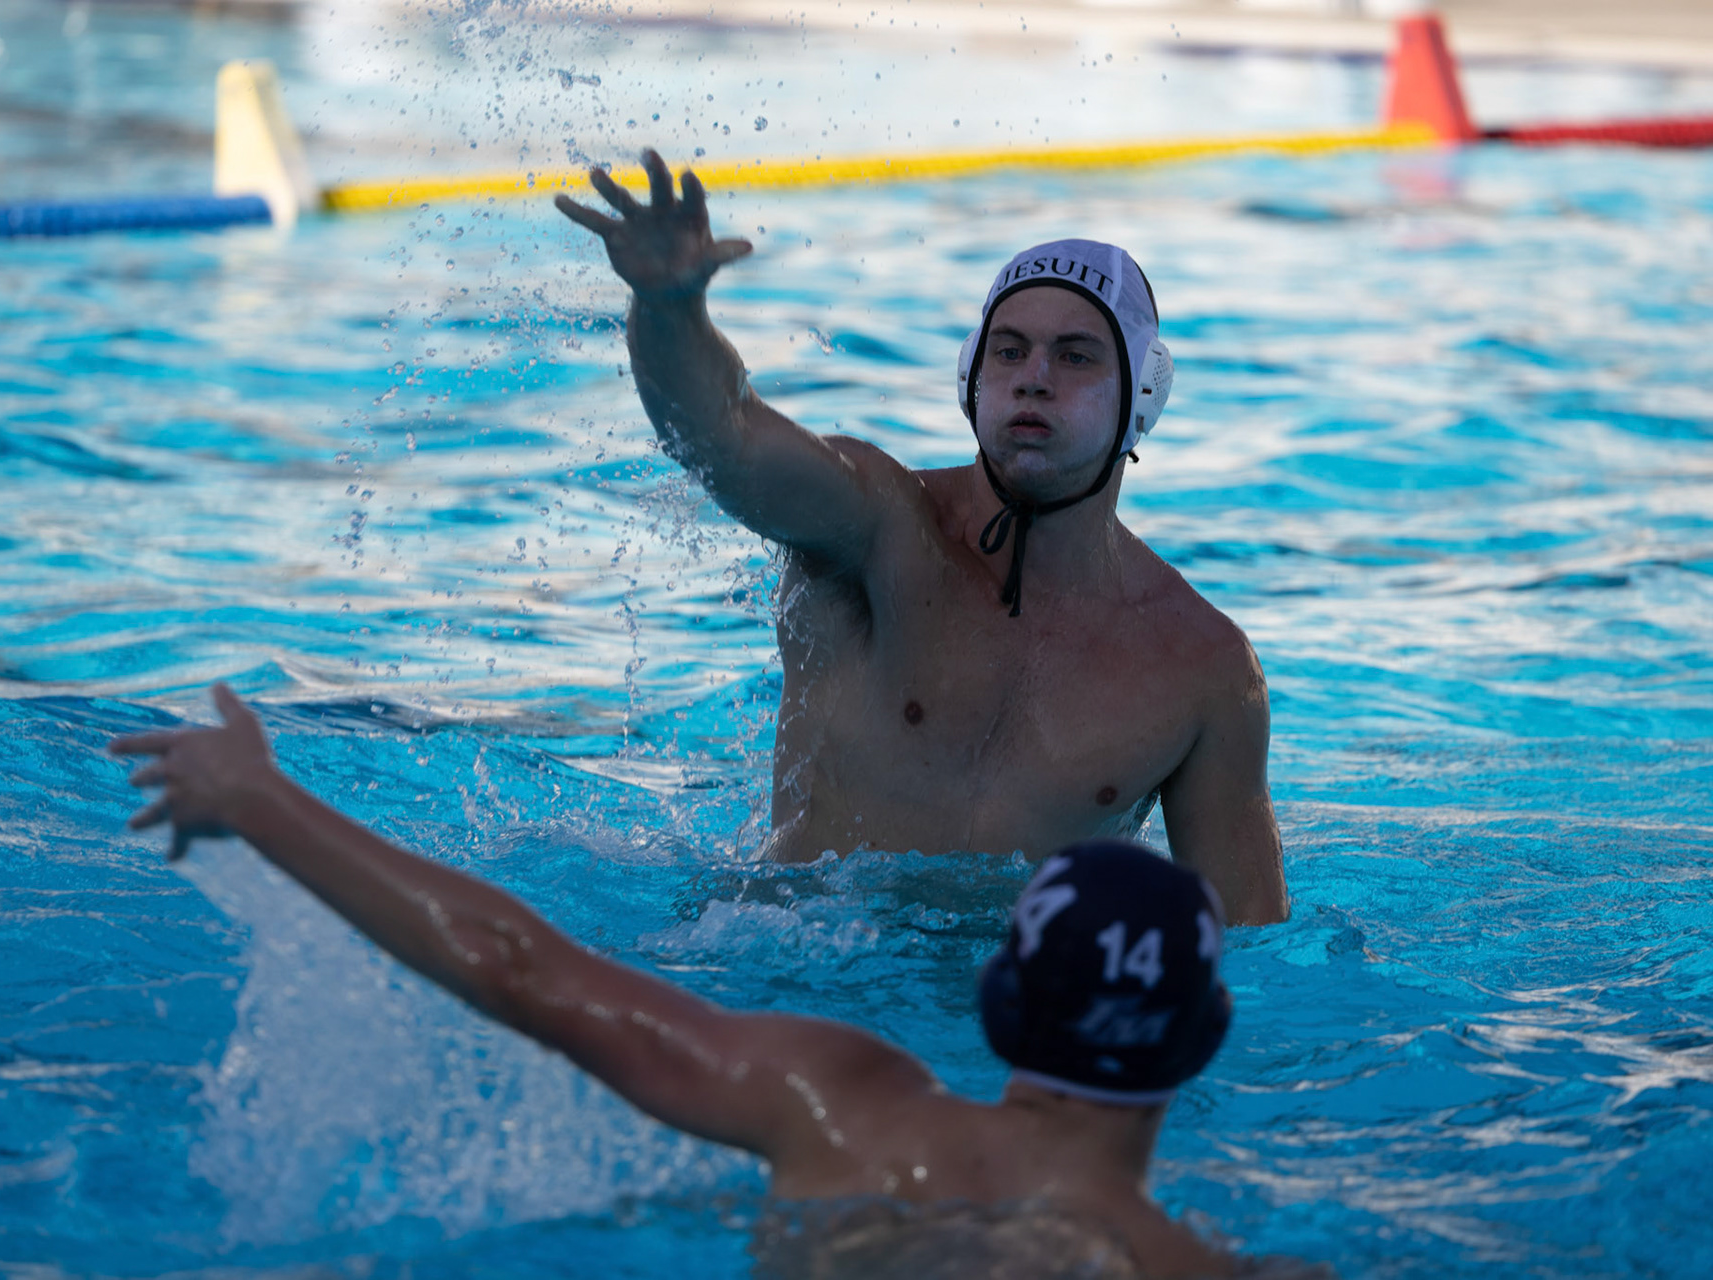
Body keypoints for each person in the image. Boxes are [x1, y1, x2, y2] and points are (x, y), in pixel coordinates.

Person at [111, 684, 1281, 1279]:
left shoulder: (842, 1103)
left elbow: (516, 966)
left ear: (1000, 1000)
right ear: (1205, 1034)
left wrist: (261, 797)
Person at [553, 154, 1288, 925]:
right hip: (782, 960)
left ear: (1143, 395)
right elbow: (722, 435)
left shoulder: (1203, 670)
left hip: (1010, 991)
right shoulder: (877, 525)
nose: (1034, 377)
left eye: (1075, 356)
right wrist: (668, 309)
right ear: (972, 374)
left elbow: (1249, 944)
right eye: (1009, 350)